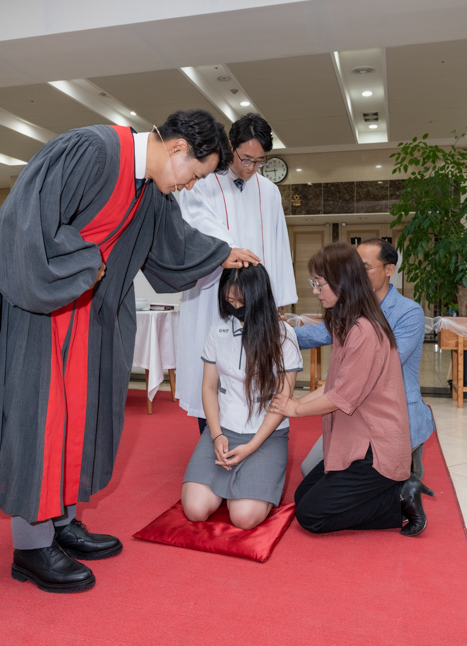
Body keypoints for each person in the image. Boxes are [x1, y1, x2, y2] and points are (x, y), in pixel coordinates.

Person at [0, 109, 261, 593]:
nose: (188, 186)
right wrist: (81, 266)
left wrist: (221, 253)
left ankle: (61, 524)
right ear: (179, 148)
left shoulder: (148, 187)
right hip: (46, 316)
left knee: (85, 418)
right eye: (195, 175)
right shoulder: (93, 150)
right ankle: (31, 546)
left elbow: (174, 245)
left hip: (92, 319)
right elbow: (23, 222)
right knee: (44, 424)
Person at [269, 242, 434, 537]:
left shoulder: (370, 327)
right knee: (304, 495)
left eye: (319, 284)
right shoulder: (348, 321)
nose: (316, 291)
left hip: (375, 443)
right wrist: (277, 333)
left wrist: (294, 408)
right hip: (356, 431)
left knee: (311, 516)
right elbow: (336, 381)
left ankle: (399, 500)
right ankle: (394, 492)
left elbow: (342, 394)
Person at [176, 113, 297, 433]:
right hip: (211, 292)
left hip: (257, 298)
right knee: (210, 370)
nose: (251, 167)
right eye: (246, 158)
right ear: (230, 146)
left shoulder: (269, 192)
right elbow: (196, 226)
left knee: (253, 370)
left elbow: (279, 246)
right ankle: (210, 436)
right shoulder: (202, 181)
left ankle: (251, 438)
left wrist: (279, 302)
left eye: (260, 161)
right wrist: (230, 251)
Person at [296, 238, 435, 479]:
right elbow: (317, 334)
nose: (357, 273)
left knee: (382, 482)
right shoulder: (352, 309)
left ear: (389, 269)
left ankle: (405, 482)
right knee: (311, 469)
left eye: (366, 268)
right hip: (353, 410)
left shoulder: (409, 312)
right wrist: (274, 335)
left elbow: (381, 367)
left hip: (393, 415)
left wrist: (298, 406)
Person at [182, 265, 302, 529]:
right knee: (194, 509)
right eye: (230, 301)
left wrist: (252, 446)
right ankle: (233, 486)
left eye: (242, 302)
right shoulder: (219, 329)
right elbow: (209, 388)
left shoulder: (283, 336)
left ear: (258, 298)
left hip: (265, 435)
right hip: (224, 429)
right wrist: (216, 435)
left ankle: (249, 486)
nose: (235, 308)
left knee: (244, 518)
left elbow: (281, 402)